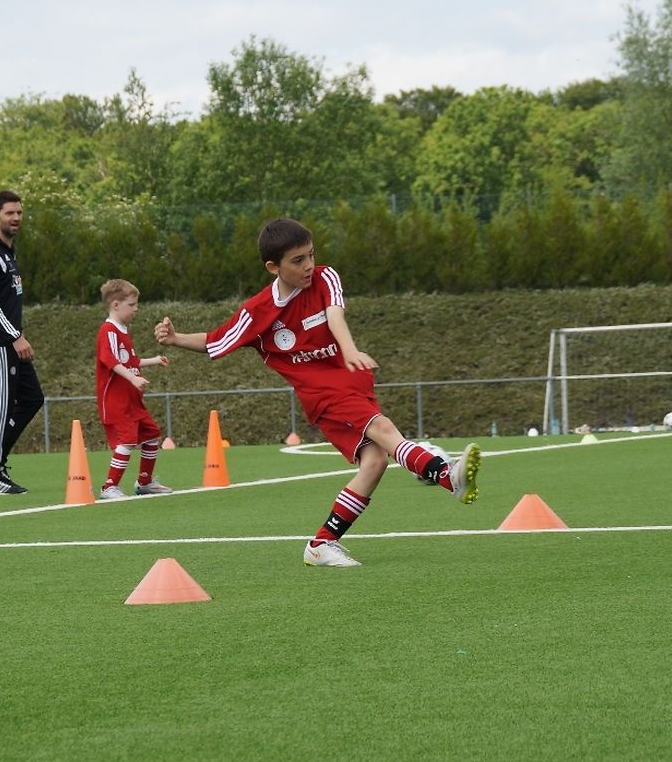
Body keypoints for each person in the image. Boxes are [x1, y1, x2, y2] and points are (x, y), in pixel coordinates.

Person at [154, 217, 480, 567]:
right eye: (297, 260)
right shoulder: (258, 312)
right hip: (322, 394)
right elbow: (216, 340)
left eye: (310, 255)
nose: (308, 265)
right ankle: (446, 476)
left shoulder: (326, 277)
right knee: (384, 430)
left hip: (351, 382)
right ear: (273, 267)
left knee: (374, 463)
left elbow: (335, 315)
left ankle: (321, 544)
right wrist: (176, 339)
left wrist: (349, 350)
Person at [0, 190, 45, 496]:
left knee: (32, 398)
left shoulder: (8, 253)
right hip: (0, 343)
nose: (16, 218)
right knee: (2, 406)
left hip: (11, 342)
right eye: (9, 213)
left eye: (19, 213)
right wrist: (15, 336)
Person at [95, 278, 173, 500]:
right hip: (117, 401)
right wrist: (132, 378)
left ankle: (145, 482)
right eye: (131, 304)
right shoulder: (109, 330)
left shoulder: (123, 331)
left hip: (133, 401)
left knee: (151, 434)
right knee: (127, 441)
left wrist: (155, 360)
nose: (136, 309)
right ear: (115, 305)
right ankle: (109, 487)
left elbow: (130, 361)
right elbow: (110, 360)